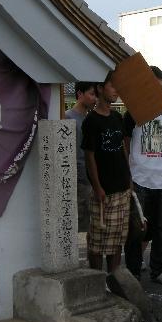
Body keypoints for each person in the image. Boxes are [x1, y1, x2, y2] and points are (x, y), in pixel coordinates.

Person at [123, 66, 162, 285]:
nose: (157, 89)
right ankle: (133, 271)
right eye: (153, 84)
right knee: (136, 229)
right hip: (140, 178)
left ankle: (158, 270)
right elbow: (125, 144)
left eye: (160, 84)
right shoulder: (133, 111)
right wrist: (130, 173)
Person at [82, 70, 133, 274]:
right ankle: (97, 278)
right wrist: (97, 186)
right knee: (97, 237)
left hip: (122, 186)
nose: (117, 91)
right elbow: (89, 155)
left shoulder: (117, 117)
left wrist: (129, 178)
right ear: (101, 89)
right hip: (102, 189)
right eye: (113, 86)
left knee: (118, 237)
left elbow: (123, 149)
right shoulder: (91, 121)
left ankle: (114, 278)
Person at [66, 81, 98, 233]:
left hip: (92, 180)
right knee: (81, 225)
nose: (95, 99)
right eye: (91, 94)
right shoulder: (67, 118)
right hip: (79, 181)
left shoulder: (91, 118)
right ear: (80, 94)